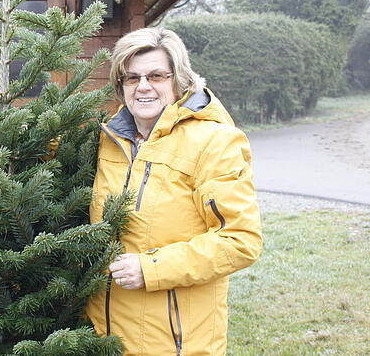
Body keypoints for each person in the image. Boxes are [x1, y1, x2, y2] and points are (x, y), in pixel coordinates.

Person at [85, 27, 262, 356]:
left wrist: (150, 269)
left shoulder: (215, 142)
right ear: (120, 85)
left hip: (174, 342)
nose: (144, 87)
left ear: (179, 80)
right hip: (105, 337)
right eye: (131, 78)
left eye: (156, 76)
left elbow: (241, 240)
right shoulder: (111, 137)